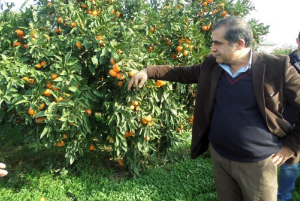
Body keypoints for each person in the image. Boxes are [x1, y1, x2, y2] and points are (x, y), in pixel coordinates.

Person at [128, 16, 300, 201]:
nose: (212, 48)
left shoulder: (276, 67)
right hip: (221, 157)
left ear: (239, 44)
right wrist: (148, 71)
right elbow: (182, 73)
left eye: (218, 43)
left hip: (258, 163)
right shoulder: (213, 64)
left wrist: (291, 146)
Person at [278, 32, 300, 201]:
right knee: (288, 164)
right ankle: (283, 196)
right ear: (298, 41)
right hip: (288, 120)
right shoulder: (284, 64)